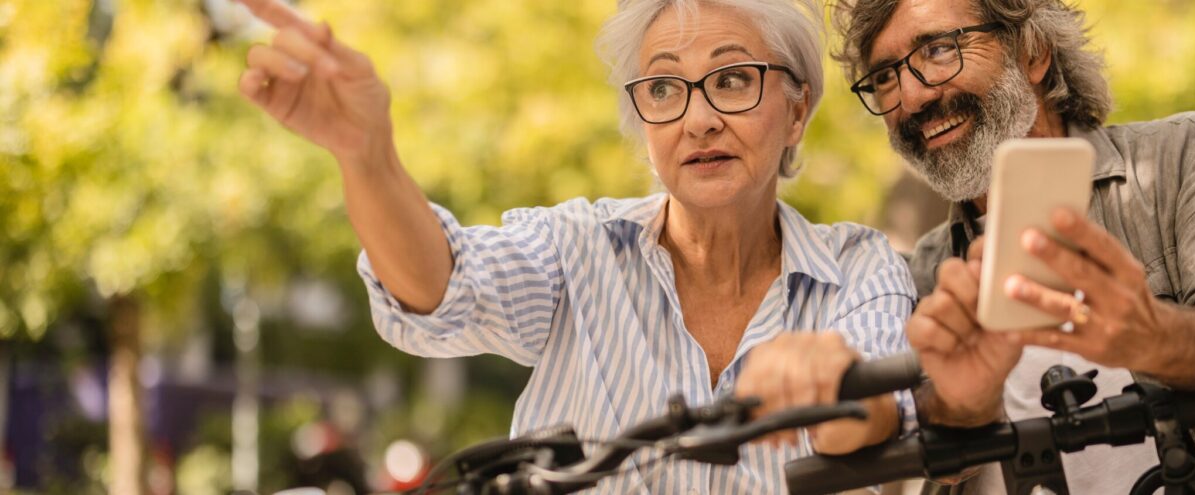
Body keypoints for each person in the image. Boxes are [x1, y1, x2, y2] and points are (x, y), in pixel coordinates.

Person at [232, 0, 915, 492]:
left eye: (733, 79)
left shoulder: (859, 266)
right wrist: (366, 155)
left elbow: (883, 417)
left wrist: (836, 381)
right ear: (642, 122)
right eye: (664, 88)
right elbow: (440, 289)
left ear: (797, 110)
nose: (698, 119)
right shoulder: (577, 248)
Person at [822, 0, 1195, 493]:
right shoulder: (912, 277)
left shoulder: (1182, 157)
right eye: (884, 76)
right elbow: (909, 449)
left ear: (1033, 51)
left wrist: (1154, 336)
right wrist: (959, 405)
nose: (910, 97)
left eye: (936, 49)